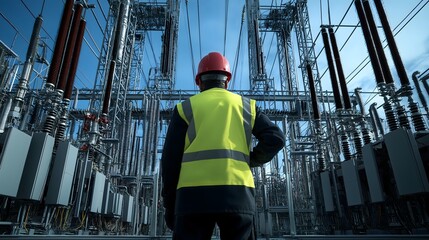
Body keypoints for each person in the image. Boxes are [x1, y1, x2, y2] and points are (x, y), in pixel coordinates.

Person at [161, 52, 285, 239]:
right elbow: (276, 139)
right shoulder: (246, 106)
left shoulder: (185, 108)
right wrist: (250, 160)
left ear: (199, 82)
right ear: (227, 81)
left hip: (192, 197)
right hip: (237, 193)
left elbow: (170, 163)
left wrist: (171, 205)